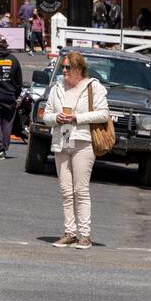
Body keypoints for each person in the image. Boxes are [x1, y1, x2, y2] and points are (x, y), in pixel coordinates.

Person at [42, 50, 109, 249]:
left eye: (68, 67)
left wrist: (77, 118)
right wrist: (56, 118)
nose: (64, 71)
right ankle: (70, 233)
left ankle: (85, 235)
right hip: (61, 142)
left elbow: (104, 114)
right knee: (65, 190)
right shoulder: (57, 88)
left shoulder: (93, 87)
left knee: (81, 190)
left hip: (83, 142)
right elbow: (46, 115)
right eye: (63, 67)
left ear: (79, 69)